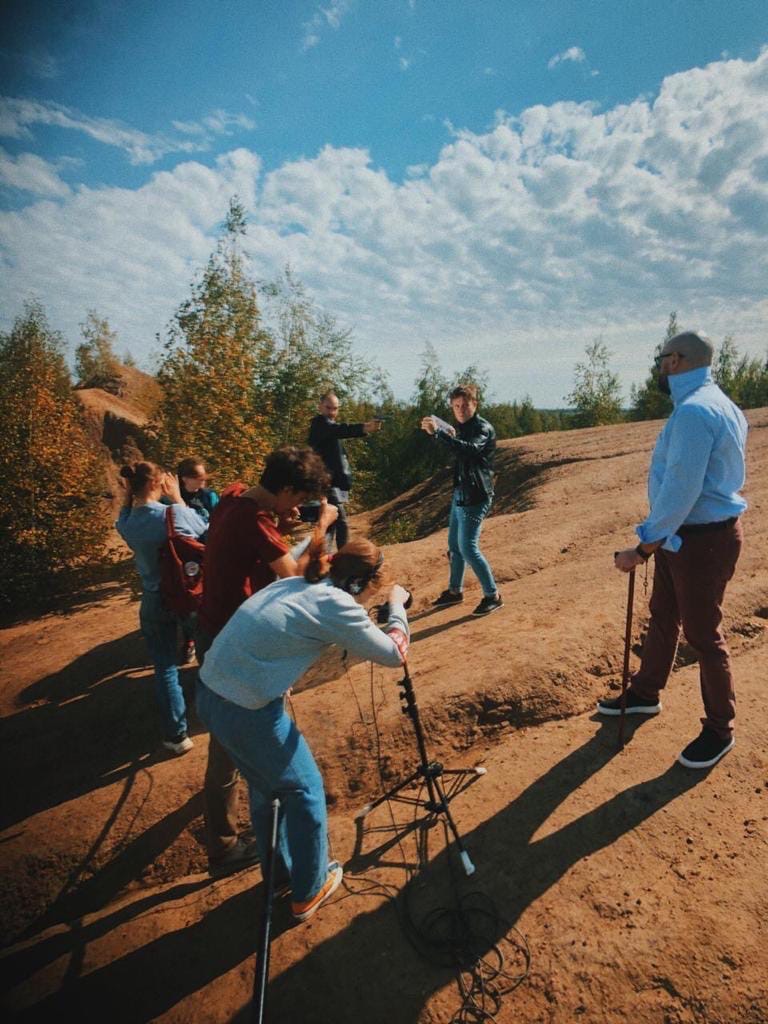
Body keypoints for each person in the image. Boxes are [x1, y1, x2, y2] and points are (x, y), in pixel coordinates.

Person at [196, 537, 410, 921]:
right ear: (361, 584)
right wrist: (396, 610)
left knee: (267, 791)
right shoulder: (337, 603)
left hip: (212, 693)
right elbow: (394, 655)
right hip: (248, 711)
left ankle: (280, 874)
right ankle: (309, 890)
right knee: (305, 790)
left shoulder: (297, 581)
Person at [598, 331, 748, 769]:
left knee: (704, 635)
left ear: (677, 361)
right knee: (663, 614)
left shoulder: (694, 412)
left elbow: (681, 492)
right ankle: (645, 693)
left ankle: (720, 729)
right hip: (689, 537)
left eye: (662, 358)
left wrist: (642, 548)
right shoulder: (718, 403)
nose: (659, 365)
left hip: (700, 540)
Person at [196, 447, 338, 877]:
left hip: (214, 627)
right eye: (297, 499)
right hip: (232, 637)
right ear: (287, 489)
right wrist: (323, 528)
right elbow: (295, 579)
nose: (297, 508)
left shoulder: (235, 497)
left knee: (229, 737)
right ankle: (224, 845)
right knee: (229, 745)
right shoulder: (256, 521)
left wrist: (281, 522)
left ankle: (239, 823)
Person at [116, 461, 207, 755]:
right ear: (158, 483)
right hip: (186, 594)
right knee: (209, 655)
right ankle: (218, 715)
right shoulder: (173, 513)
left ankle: (177, 736)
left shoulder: (126, 521)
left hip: (153, 599)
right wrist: (178, 497)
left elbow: (126, 515)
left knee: (165, 668)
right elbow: (203, 527)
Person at [420, 383, 503, 616]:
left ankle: (493, 595)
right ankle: (455, 592)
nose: (460, 410)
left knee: (468, 547)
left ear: (474, 404)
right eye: (456, 406)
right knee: (455, 548)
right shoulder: (463, 427)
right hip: (461, 493)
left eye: (465, 405)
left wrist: (439, 434)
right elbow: (459, 447)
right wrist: (442, 434)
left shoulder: (482, 428)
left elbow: (470, 449)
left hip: (476, 494)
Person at [308, 391, 383, 549]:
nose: (332, 412)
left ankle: (324, 558)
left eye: (335, 409)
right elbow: (342, 430)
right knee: (340, 521)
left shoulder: (327, 426)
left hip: (329, 482)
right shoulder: (320, 424)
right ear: (320, 406)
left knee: (332, 523)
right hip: (324, 482)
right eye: (328, 408)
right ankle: (343, 556)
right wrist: (365, 427)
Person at [175, 457, 219, 663]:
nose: (204, 482)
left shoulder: (209, 497)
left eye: (204, 478)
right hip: (185, 558)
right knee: (189, 600)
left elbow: (219, 519)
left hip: (208, 553)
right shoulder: (170, 500)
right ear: (184, 478)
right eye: (199, 478)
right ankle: (189, 639)